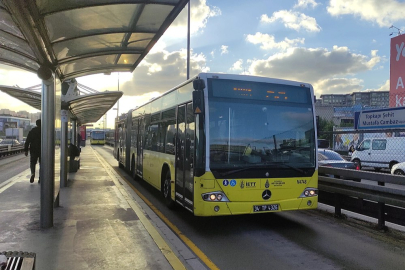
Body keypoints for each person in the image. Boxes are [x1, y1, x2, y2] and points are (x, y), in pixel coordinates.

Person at [24, 119, 41, 184]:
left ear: (36, 124)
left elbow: (27, 141)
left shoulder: (32, 131)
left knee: (33, 163)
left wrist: (26, 150)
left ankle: (33, 173)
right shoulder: (44, 131)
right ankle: (40, 178)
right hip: (42, 150)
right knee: (42, 164)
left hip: (33, 150)